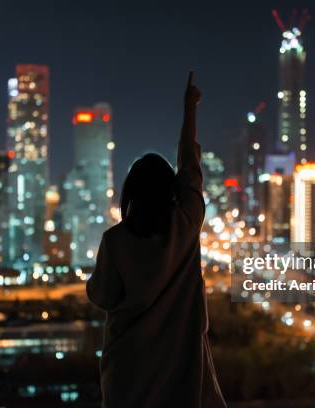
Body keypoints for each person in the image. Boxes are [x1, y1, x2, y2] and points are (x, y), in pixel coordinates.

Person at [86, 72, 227, 408]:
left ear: (130, 193)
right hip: (182, 369)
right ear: (171, 192)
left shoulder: (115, 241)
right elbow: (190, 169)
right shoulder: (185, 223)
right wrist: (189, 111)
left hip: (129, 373)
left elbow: (102, 296)